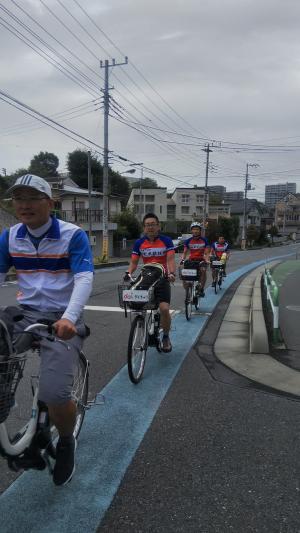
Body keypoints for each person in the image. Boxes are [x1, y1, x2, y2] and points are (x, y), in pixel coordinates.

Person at [0, 175, 94, 486]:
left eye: (32, 197)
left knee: (55, 393)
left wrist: (69, 317)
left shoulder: (72, 235)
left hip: (61, 319)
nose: (24, 204)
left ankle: (66, 441)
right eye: (19, 199)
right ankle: (7, 402)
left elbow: (83, 279)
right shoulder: (10, 236)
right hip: (26, 314)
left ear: (49, 203)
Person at [124, 213, 175, 353]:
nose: (150, 227)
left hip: (162, 277)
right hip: (146, 276)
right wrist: (128, 273)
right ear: (144, 228)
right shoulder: (139, 243)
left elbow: (170, 260)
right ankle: (140, 323)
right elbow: (134, 262)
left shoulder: (166, 241)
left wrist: (171, 273)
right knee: (136, 302)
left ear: (158, 226)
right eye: (147, 225)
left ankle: (165, 337)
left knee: (164, 309)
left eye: (153, 224)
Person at [180, 222, 210, 297]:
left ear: (200, 231)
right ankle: (186, 288)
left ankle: (201, 289)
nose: (195, 231)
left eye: (197, 229)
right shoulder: (188, 241)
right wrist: (182, 259)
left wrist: (206, 260)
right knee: (183, 271)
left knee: (203, 270)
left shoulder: (204, 240)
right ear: (191, 231)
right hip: (191, 260)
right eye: (194, 229)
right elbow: (184, 252)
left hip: (201, 260)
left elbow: (206, 253)